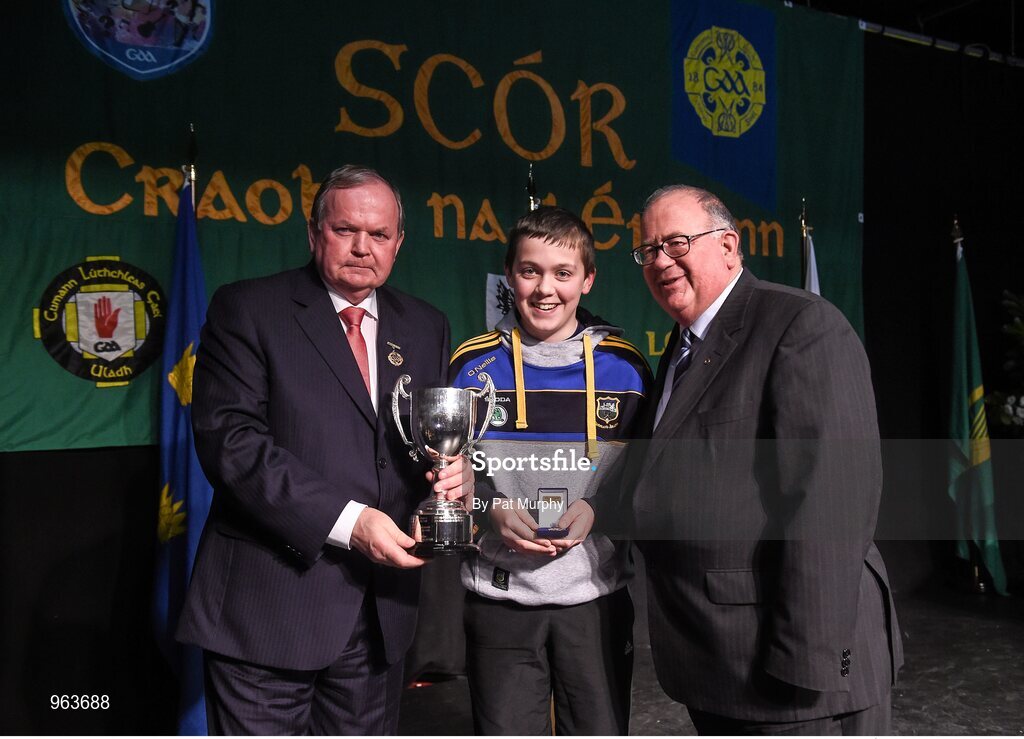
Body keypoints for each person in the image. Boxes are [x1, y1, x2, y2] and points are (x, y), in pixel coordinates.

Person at [176, 165, 470, 735]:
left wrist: (456, 474)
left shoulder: (425, 325)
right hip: (269, 614)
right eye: (345, 230)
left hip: (382, 616)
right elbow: (230, 444)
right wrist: (350, 522)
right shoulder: (248, 310)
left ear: (399, 243)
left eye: (379, 235)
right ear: (315, 234)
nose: (363, 248)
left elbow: (429, 442)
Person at [609, 185, 904, 735]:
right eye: (648, 250)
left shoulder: (800, 325)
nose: (660, 261)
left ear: (729, 246)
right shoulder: (681, 347)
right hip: (718, 665)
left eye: (676, 242)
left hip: (794, 682)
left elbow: (831, 504)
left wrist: (806, 667)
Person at [448, 206, 650, 735]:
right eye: (529, 270)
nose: (545, 289)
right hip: (500, 599)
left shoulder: (626, 368)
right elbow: (452, 472)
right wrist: (491, 509)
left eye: (563, 273)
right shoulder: (471, 366)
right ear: (508, 276)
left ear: (587, 280)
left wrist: (598, 507)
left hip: (595, 599)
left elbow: (646, 474)